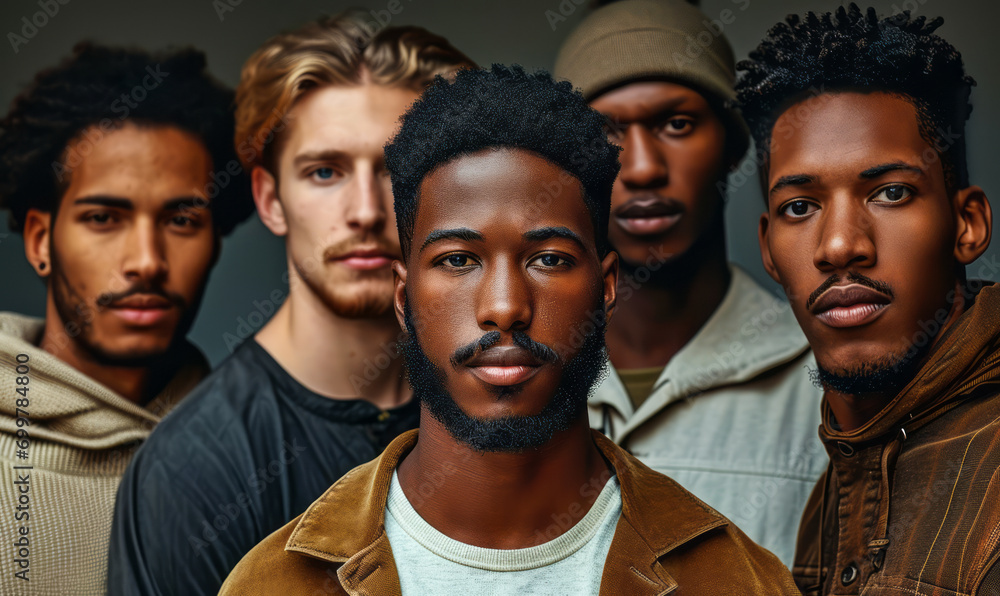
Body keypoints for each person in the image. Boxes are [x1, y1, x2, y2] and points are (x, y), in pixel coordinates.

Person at [219, 65, 798, 595]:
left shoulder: (735, 580)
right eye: (457, 260)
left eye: (547, 258)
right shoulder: (274, 583)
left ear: (606, 288)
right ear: (404, 297)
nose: (503, 307)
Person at [107, 12, 475, 596]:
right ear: (270, 200)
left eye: (399, 170)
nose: (364, 210)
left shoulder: (507, 409)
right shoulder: (194, 468)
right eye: (325, 171)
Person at [737, 4, 998, 593]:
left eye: (890, 193)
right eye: (800, 207)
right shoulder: (837, 485)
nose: (838, 245)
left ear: (967, 224)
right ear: (770, 249)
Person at [553, 0, 825, 565]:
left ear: (731, 146)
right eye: (606, 133)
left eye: (676, 124)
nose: (644, 166)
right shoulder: (517, 374)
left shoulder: (823, 377)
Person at [0, 43, 251, 594]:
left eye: (182, 219)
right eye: (104, 218)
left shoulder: (259, 455)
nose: (146, 261)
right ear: (41, 240)